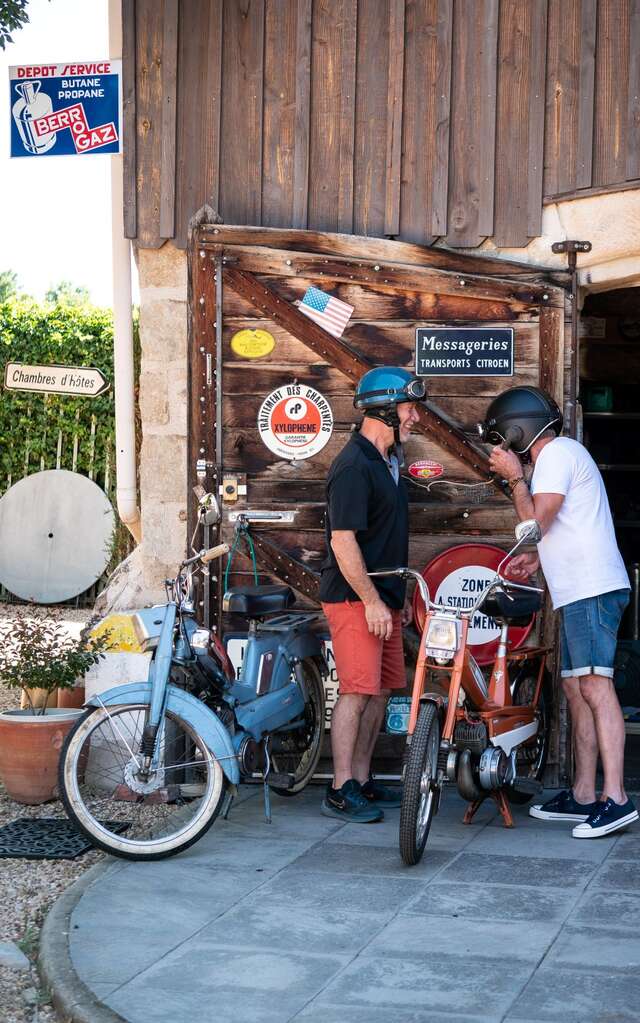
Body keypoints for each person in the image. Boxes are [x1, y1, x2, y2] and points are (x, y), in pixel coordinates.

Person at [482, 385, 636, 838]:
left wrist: (514, 478)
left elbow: (534, 521)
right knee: (575, 689)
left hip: (592, 591)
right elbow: (558, 530)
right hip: (578, 592)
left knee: (594, 685)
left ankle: (618, 799)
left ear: (518, 432)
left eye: (503, 441)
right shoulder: (562, 455)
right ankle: (584, 793)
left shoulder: (555, 456)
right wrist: (539, 559)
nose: (504, 451)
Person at [319, 367, 425, 822]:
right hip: (354, 598)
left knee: (381, 691)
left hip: (383, 598)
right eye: (408, 408)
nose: (415, 417)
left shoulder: (388, 462)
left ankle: (361, 779)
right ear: (384, 409)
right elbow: (343, 541)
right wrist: (372, 601)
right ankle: (340, 788)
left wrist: (392, 601)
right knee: (357, 691)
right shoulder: (353, 466)